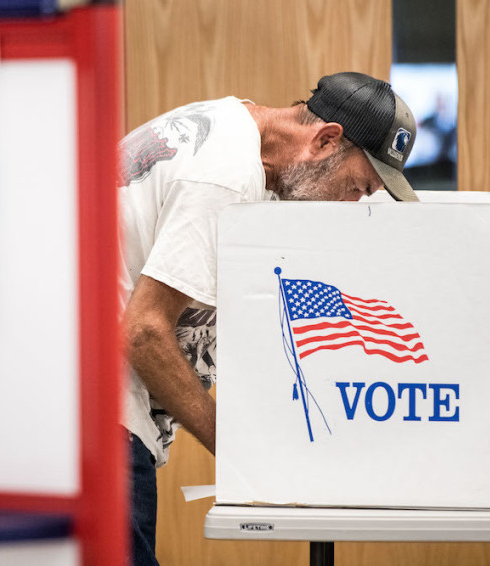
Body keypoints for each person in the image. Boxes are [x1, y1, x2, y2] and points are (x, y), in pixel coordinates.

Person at [118, 71, 419, 566]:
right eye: (357, 189)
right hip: (94, 412)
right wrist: (243, 453)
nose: (350, 207)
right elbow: (145, 331)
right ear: (325, 141)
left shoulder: (233, 128)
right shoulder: (225, 180)